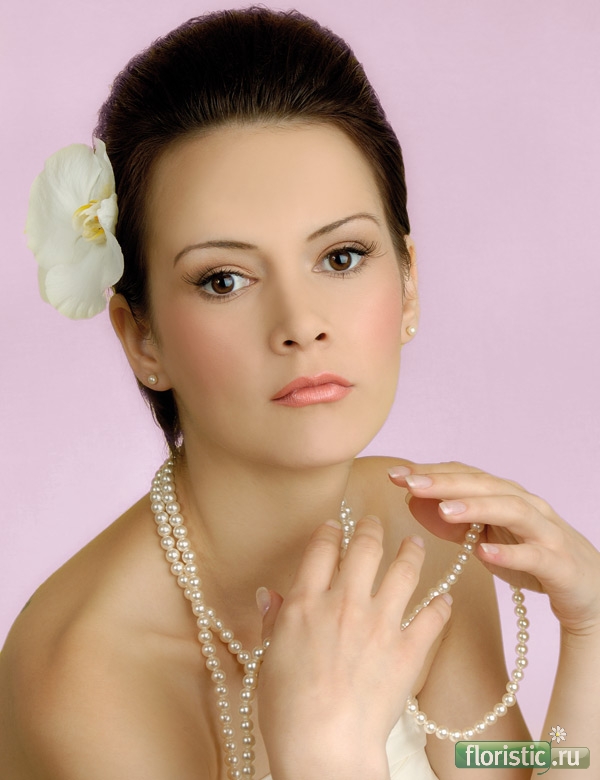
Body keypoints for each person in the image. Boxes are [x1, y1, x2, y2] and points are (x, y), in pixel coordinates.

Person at [1, 8, 598, 779]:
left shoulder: (416, 537)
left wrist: (590, 633)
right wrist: (324, 755)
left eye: (341, 257)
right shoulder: (83, 675)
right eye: (224, 279)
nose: (300, 324)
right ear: (141, 337)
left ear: (409, 284)